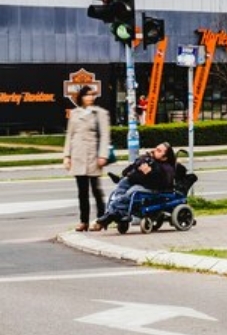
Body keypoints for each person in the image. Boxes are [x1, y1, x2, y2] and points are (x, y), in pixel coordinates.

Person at [92, 142, 177, 231]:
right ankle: (116, 212)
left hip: (155, 189)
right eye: (155, 148)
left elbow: (161, 183)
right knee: (124, 182)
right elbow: (131, 170)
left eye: (158, 151)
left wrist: (149, 173)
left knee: (133, 191)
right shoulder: (149, 159)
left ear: (165, 157)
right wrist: (132, 171)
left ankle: (111, 213)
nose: (154, 151)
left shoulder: (167, 168)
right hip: (142, 183)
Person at [62, 85, 112, 232]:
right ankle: (84, 221)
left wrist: (103, 155)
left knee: (96, 190)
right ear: (81, 97)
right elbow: (69, 135)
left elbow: (104, 136)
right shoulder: (75, 113)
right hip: (78, 155)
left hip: (93, 155)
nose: (89, 97)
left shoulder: (100, 113)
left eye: (91, 95)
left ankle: (101, 220)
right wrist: (67, 156)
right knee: (82, 191)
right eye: (86, 95)